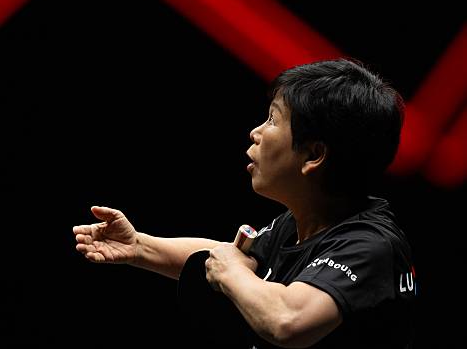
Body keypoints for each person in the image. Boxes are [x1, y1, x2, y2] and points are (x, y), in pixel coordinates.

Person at [73, 58, 416, 348]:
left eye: (272, 119)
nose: (256, 132)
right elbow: (227, 255)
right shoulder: (301, 222)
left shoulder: (370, 246)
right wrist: (138, 246)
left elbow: (287, 319)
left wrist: (231, 270)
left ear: (313, 155)